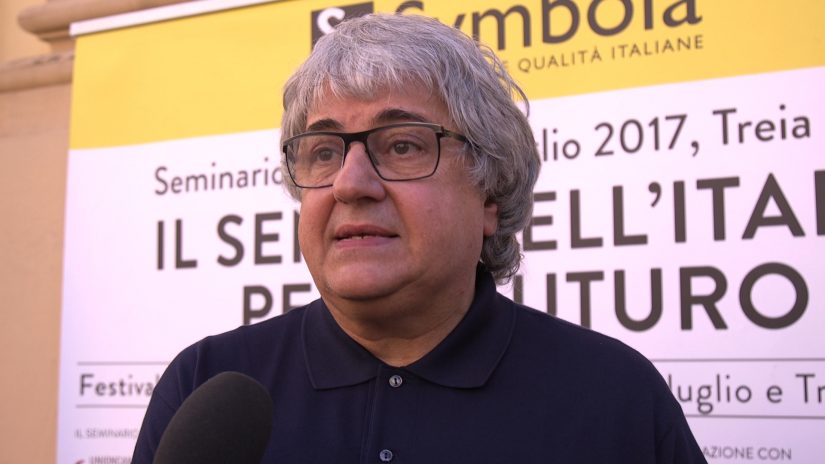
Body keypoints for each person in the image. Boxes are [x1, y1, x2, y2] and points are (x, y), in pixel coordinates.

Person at [133, 13, 706, 463]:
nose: (350, 184)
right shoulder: (205, 382)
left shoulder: (616, 398)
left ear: (489, 193)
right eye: (324, 152)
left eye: (403, 145)